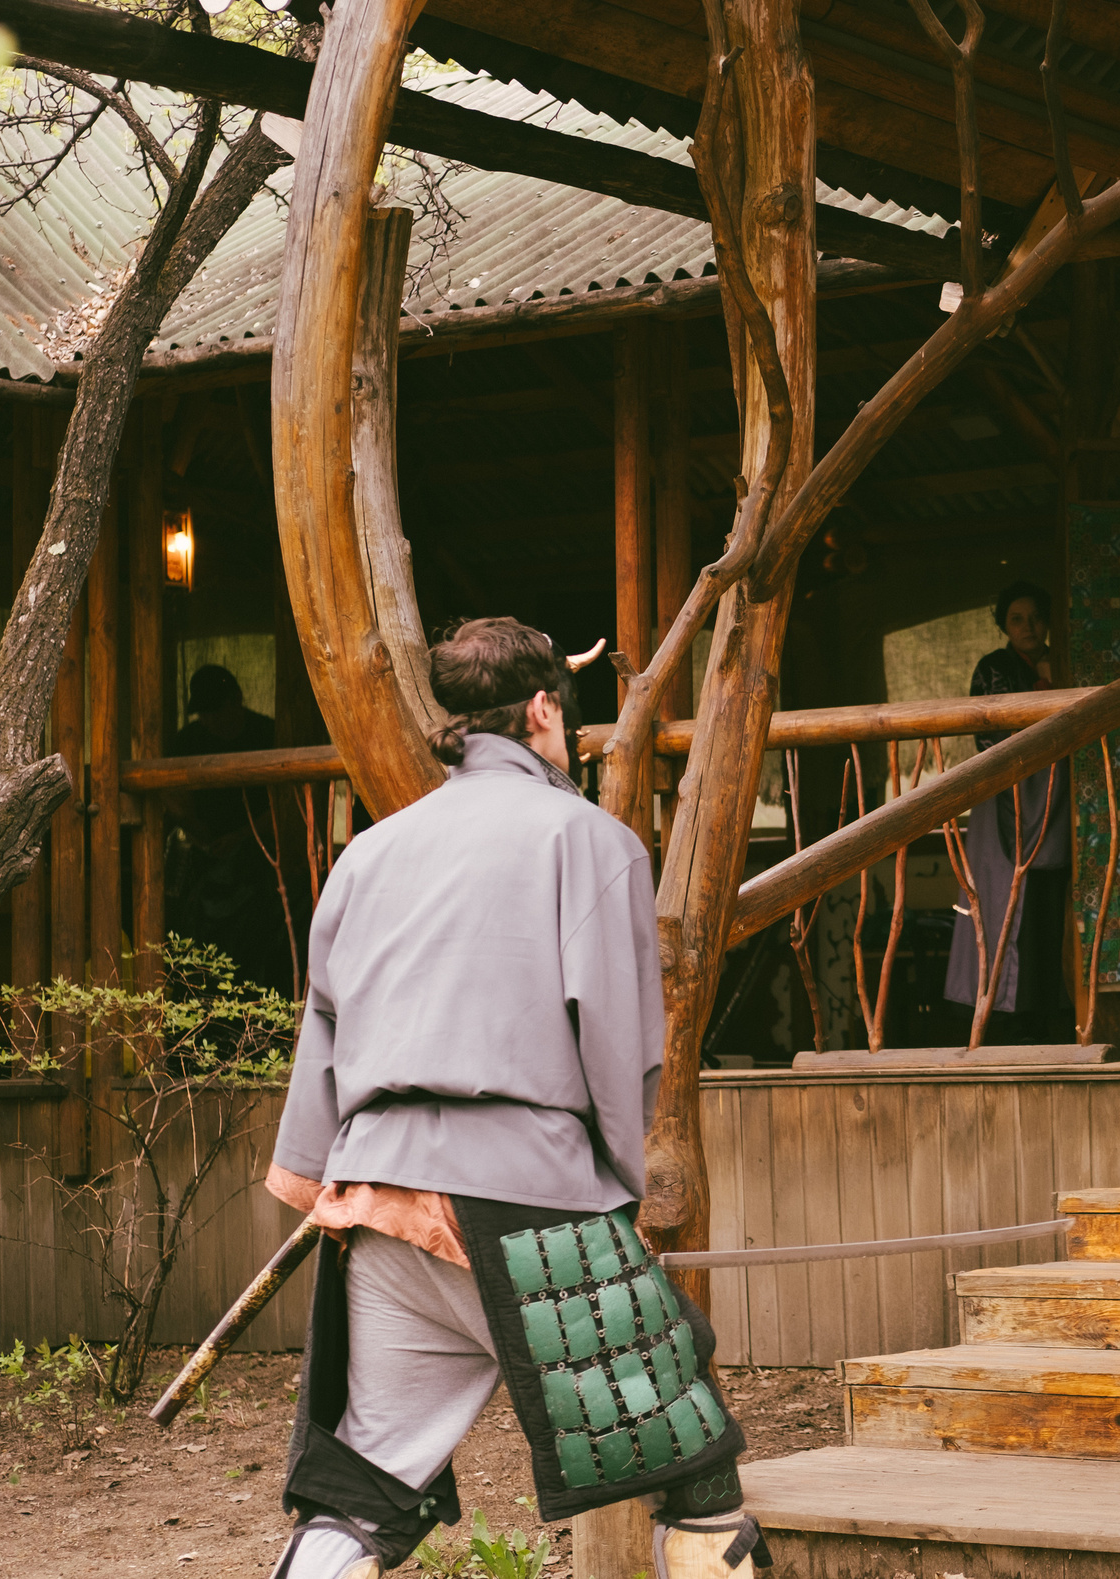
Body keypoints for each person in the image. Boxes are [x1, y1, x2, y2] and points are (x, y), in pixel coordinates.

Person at [262, 618, 761, 1579]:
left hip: (375, 1202)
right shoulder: (591, 840)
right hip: (534, 1210)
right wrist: (617, 1192)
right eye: (566, 716)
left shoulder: (369, 852)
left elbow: (320, 1028)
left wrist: (311, 1181)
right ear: (541, 708)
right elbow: (619, 1051)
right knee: (695, 1464)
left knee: (363, 1489)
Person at [943, 581, 1072, 1042]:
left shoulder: (1064, 662)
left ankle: (1043, 1008)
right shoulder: (994, 669)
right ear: (1003, 625)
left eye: (1035, 616)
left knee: (1044, 907)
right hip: (1008, 795)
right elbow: (991, 737)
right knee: (999, 903)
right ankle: (998, 1013)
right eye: (1017, 619)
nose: (1028, 627)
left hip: (1054, 799)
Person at [166, 664, 296, 995]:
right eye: (204, 712)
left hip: (261, 859)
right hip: (204, 859)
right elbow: (174, 801)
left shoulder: (268, 735)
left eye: (215, 709)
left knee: (259, 942)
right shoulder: (187, 741)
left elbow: (286, 807)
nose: (210, 719)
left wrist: (241, 837)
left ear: (236, 699)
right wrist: (196, 831)